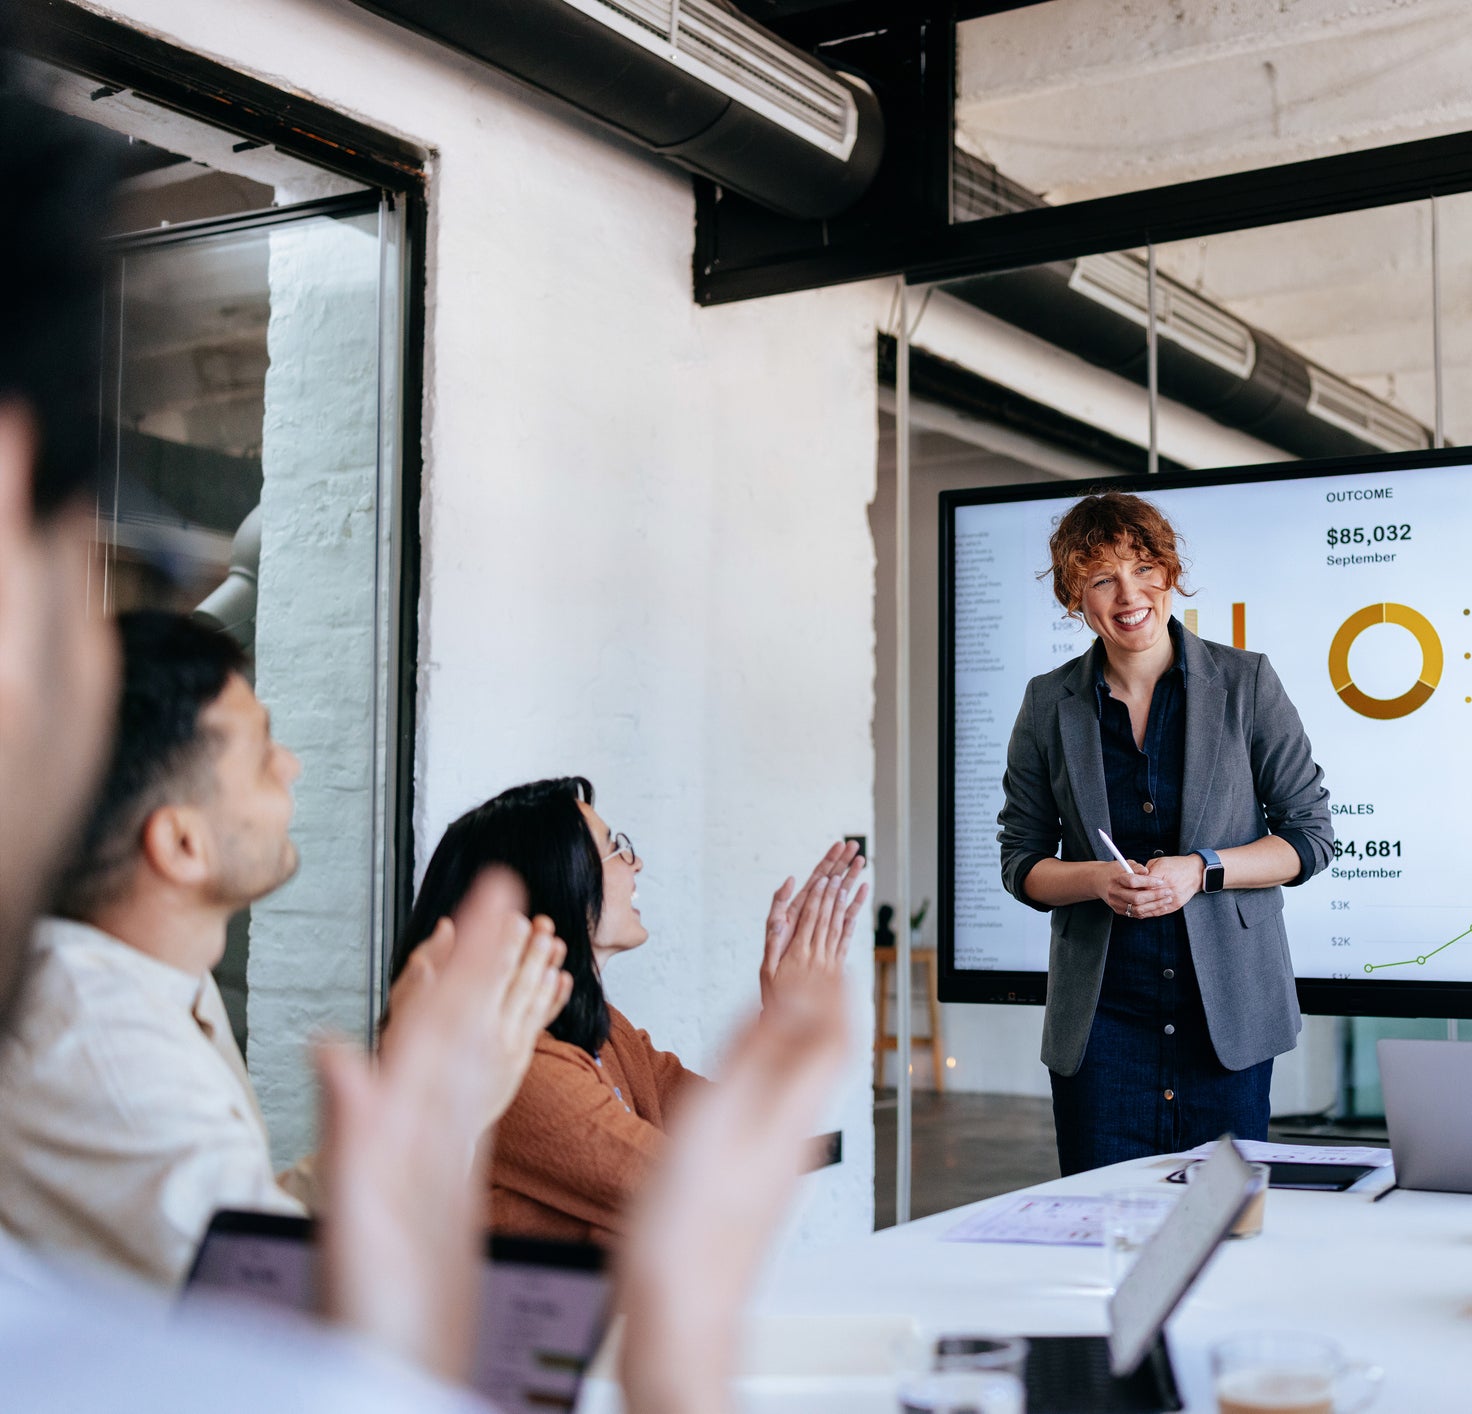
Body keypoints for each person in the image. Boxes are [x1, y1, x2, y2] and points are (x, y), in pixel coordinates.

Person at [0, 52, 850, 1414]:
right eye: (255, 744)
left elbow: (240, 1257)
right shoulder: (96, 1035)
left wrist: (414, 1128)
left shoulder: (163, 999)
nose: (291, 767)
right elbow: (263, 1328)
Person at [998, 492, 1333, 1174]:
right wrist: (1096, 878)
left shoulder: (1247, 684)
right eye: (1102, 578)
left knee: (1227, 1235)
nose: (1130, 595)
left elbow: (1309, 838)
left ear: (1170, 573)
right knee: (1104, 1241)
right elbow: (1021, 861)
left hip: (1228, 1024)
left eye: (1145, 568)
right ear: (1074, 598)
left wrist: (1201, 868)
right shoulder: (1046, 704)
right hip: (1102, 1029)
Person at [393, 776, 867, 1242]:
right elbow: (710, 1193)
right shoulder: (520, 1066)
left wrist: (787, 1015)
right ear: (559, 881)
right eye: (614, 848)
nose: (636, 862)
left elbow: (732, 1126)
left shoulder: (608, 1032)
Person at [0, 611, 324, 1287]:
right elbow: (286, 1311)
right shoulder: (98, 1041)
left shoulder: (165, 980)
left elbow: (240, 1219)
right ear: (181, 845)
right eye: (263, 755)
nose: (290, 766)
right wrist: (435, 1103)